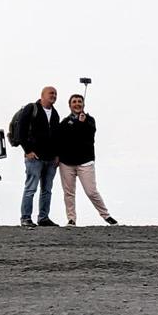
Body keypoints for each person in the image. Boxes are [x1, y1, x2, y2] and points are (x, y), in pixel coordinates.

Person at [56, 94, 118, 226]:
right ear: (70, 105)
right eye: (74, 102)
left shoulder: (90, 120)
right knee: (69, 193)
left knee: (91, 191)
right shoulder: (64, 122)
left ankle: (106, 216)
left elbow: (89, 135)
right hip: (66, 163)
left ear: (83, 105)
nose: (77, 104)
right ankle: (71, 219)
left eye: (79, 102)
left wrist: (81, 123)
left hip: (85, 162)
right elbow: (62, 140)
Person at [19, 86, 60, 227]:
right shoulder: (31, 109)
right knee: (31, 188)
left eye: (55, 94)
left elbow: (56, 137)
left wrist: (57, 155)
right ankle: (25, 218)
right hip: (34, 157)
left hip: (50, 159)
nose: (53, 95)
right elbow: (21, 131)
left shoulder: (55, 114)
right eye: (51, 93)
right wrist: (27, 150)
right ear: (42, 95)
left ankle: (43, 218)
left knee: (47, 190)